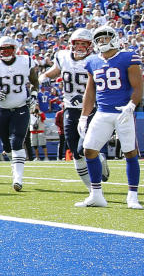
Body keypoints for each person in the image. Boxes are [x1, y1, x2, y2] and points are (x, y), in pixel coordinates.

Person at [75, 26, 142, 209]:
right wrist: (84, 116)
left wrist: (131, 105)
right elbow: (90, 92)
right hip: (102, 112)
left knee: (129, 152)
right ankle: (96, 195)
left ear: (113, 38)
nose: (102, 42)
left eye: (105, 38)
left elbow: (138, 86)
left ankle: (132, 196)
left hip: (123, 112)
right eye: (99, 39)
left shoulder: (128, 57)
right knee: (89, 150)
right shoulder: (92, 61)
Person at [0, 36, 40, 191]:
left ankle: (18, 178)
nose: (5, 52)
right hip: (2, 108)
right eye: (2, 49)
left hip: (21, 107)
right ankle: (15, 164)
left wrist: (33, 96)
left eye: (8, 49)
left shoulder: (25, 61)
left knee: (16, 142)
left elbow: (35, 82)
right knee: (7, 146)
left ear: (15, 49)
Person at [40, 28, 93, 190]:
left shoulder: (95, 59)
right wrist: (44, 78)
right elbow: (50, 74)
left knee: (87, 147)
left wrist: (84, 96)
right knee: (75, 152)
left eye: (84, 44)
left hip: (91, 108)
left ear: (90, 45)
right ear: (72, 44)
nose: (80, 47)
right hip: (70, 108)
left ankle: (101, 164)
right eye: (78, 43)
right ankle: (92, 189)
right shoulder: (63, 57)